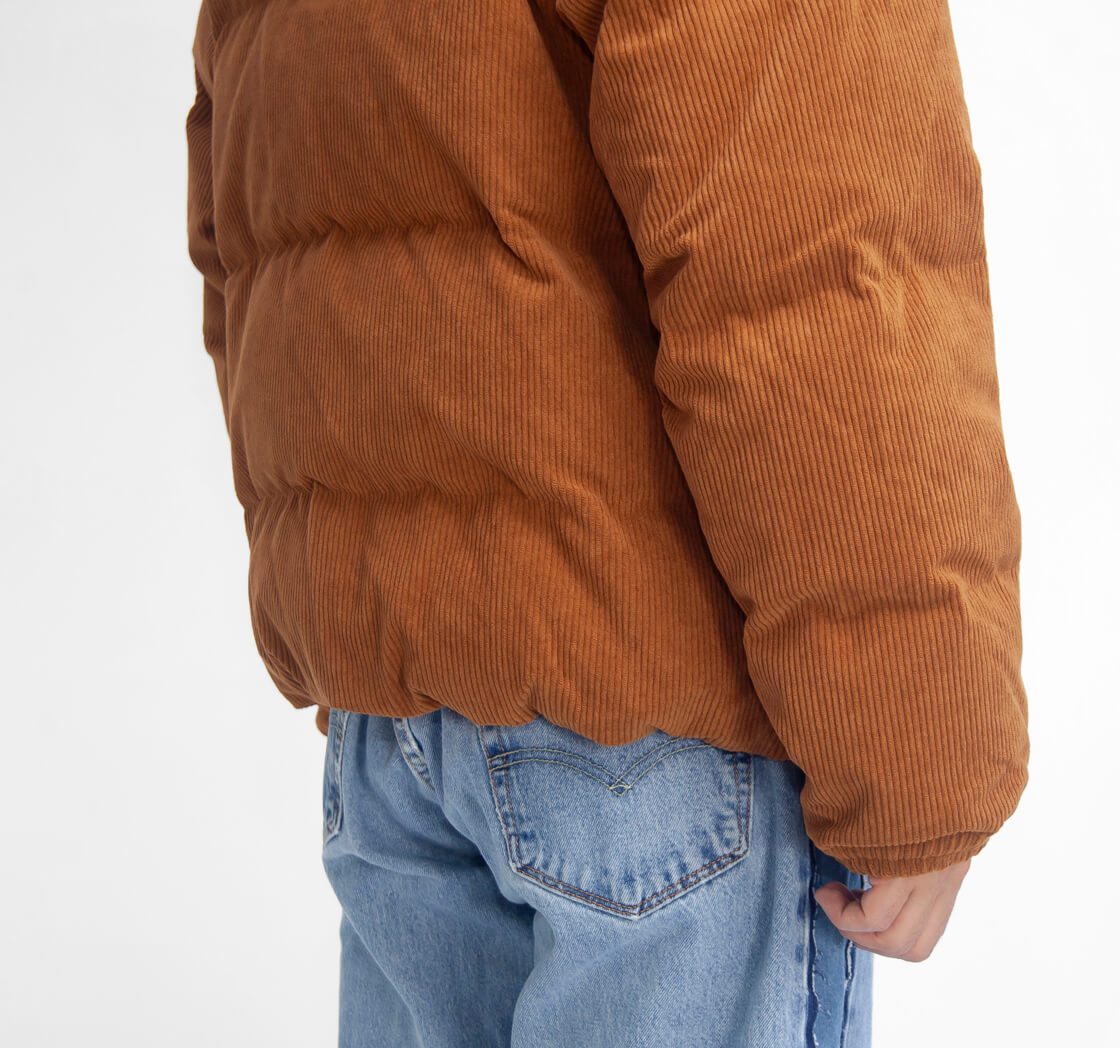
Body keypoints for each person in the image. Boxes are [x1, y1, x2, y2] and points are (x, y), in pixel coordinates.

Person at [185, 0, 1029, 1044]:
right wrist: (915, 754)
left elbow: (241, 240)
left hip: (392, 738)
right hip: (653, 739)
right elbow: (808, 260)